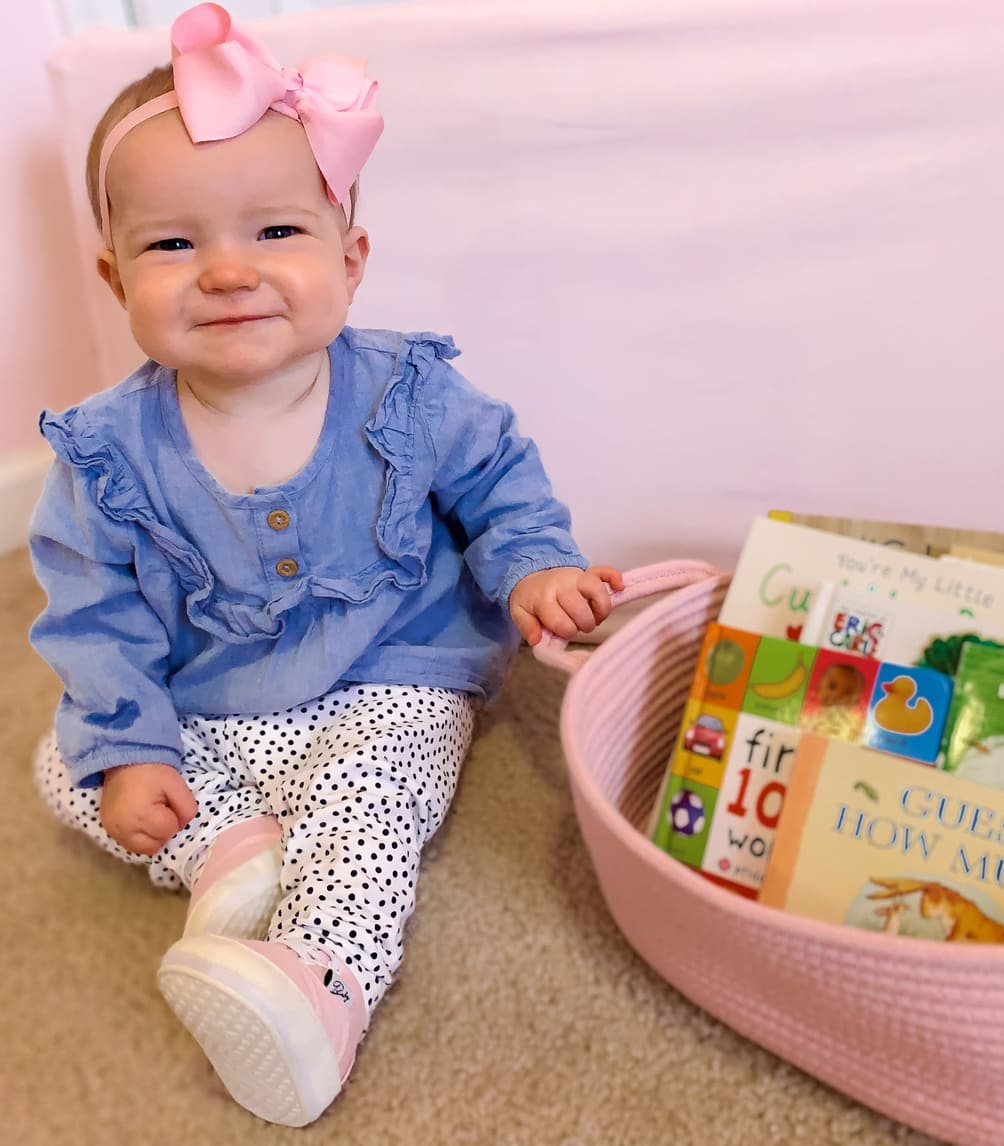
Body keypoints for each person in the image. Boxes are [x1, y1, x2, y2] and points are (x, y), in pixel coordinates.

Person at [28, 3, 621, 1127]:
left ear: (349, 259)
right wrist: (130, 749)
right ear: (116, 281)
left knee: (372, 807)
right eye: (173, 243)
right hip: (215, 699)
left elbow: (498, 484)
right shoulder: (104, 456)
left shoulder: (406, 393)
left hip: (390, 674)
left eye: (275, 233)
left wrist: (535, 566)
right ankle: (231, 850)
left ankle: (319, 988)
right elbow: (93, 623)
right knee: (68, 762)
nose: (225, 272)